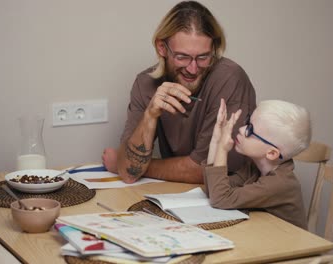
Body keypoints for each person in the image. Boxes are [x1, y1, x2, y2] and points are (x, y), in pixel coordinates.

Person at [102, 1, 256, 184]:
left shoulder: (229, 78)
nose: (192, 69)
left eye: (203, 57)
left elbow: (208, 171)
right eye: (182, 57)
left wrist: (138, 166)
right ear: (162, 48)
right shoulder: (145, 83)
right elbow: (128, 174)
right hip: (177, 198)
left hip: (236, 200)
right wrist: (150, 115)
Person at [203, 99, 311, 229]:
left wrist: (222, 148)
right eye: (247, 122)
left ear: (271, 153)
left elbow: (220, 199)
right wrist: (216, 139)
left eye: (250, 129)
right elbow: (214, 189)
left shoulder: (279, 183)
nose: (242, 129)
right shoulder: (255, 167)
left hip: (294, 246)